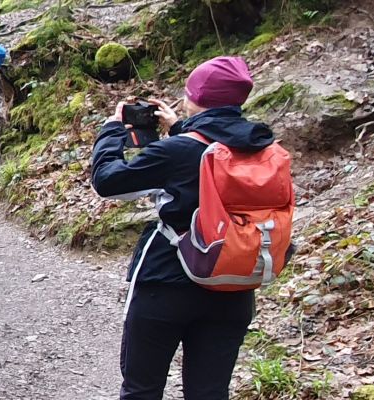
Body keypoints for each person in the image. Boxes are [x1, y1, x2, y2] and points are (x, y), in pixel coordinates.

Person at [90, 56, 266, 400]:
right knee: (210, 392)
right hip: (234, 285)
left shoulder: (178, 151)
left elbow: (109, 182)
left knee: (143, 389)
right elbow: (210, 160)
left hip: (167, 284)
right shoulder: (262, 147)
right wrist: (181, 128)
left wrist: (112, 130)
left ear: (195, 97)